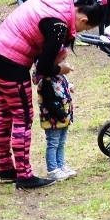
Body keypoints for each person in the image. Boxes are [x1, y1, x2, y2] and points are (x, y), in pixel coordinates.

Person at [0, 0, 105, 189]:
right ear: (83, 21)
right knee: (23, 117)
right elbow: (44, 67)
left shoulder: (58, 3)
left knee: (5, 113)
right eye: (85, 29)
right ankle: (24, 175)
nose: (80, 32)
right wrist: (61, 69)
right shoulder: (59, 25)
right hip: (10, 63)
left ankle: (5, 168)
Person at [36, 46, 76, 181]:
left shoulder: (59, 76)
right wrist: (60, 115)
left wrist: (69, 85)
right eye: (62, 60)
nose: (65, 63)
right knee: (53, 143)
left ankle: (61, 165)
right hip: (54, 118)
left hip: (64, 117)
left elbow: (62, 86)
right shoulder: (46, 80)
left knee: (61, 142)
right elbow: (48, 101)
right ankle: (53, 169)